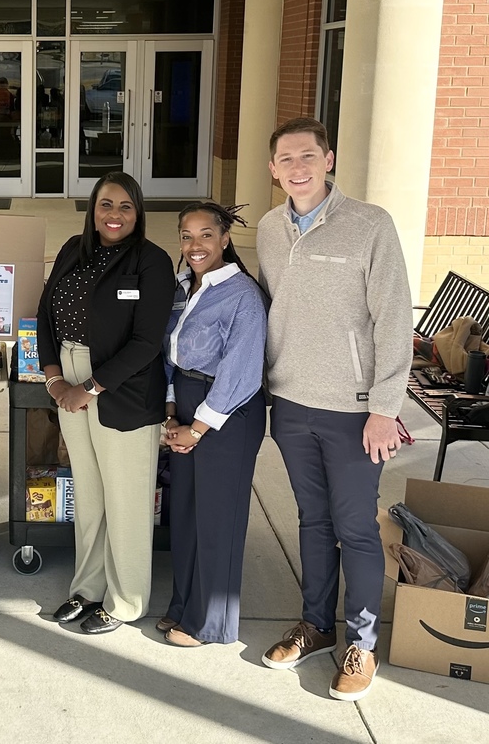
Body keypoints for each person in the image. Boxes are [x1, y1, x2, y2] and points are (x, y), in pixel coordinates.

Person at [257, 117, 412, 701]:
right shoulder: (272, 229)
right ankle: (317, 625)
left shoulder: (370, 225)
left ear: (328, 160)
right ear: (274, 170)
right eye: (286, 159)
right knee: (313, 521)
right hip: (291, 403)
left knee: (356, 529)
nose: (297, 167)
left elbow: (394, 317)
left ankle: (362, 644)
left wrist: (384, 407)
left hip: (355, 413)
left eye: (307, 156)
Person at [37, 172, 175, 634]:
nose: (114, 215)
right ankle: (87, 589)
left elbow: (146, 342)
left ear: (138, 213)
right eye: (105, 205)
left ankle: (125, 601)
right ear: (92, 209)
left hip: (122, 388)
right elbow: (45, 316)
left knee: (127, 500)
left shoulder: (152, 263)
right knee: (90, 496)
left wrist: (88, 388)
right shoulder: (72, 253)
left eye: (125, 207)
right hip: (70, 377)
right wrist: (55, 379)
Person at [158, 202, 268, 648]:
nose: (195, 245)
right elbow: (172, 354)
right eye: (187, 236)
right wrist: (170, 409)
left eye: (206, 235)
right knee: (185, 513)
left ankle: (209, 623)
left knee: (217, 518)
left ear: (225, 239)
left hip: (227, 413)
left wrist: (198, 428)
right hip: (184, 403)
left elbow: (241, 370)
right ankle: (183, 604)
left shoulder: (242, 294)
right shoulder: (183, 288)